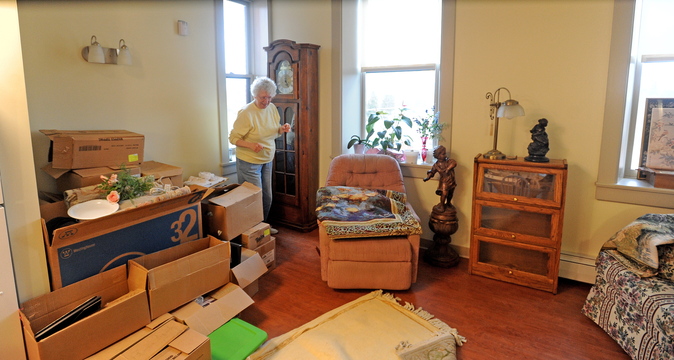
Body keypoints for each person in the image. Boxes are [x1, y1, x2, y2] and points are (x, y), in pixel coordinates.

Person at [229, 77, 291, 234]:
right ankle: (253, 231)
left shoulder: (271, 109)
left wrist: (281, 129)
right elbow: (233, 138)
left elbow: (272, 130)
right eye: (263, 97)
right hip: (249, 161)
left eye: (270, 97)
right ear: (254, 95)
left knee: (267, 197)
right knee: (254, 198)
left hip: (267, 159)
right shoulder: (246, 113)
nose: (267, 101)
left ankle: (261, 227)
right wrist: (251, 145)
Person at [423, 145, 457, 211]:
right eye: (443, 154)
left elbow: (454, 163)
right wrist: (428, 177)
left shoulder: (448, 161)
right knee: (444, 193)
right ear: (438, 156)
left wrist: (448, 169)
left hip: (451, 180)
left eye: (445, 153)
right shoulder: (436, 165)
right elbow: (432, 172)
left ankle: (448, 203)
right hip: (444, 181)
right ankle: (442, 205)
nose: (445, 155)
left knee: (450, 193)